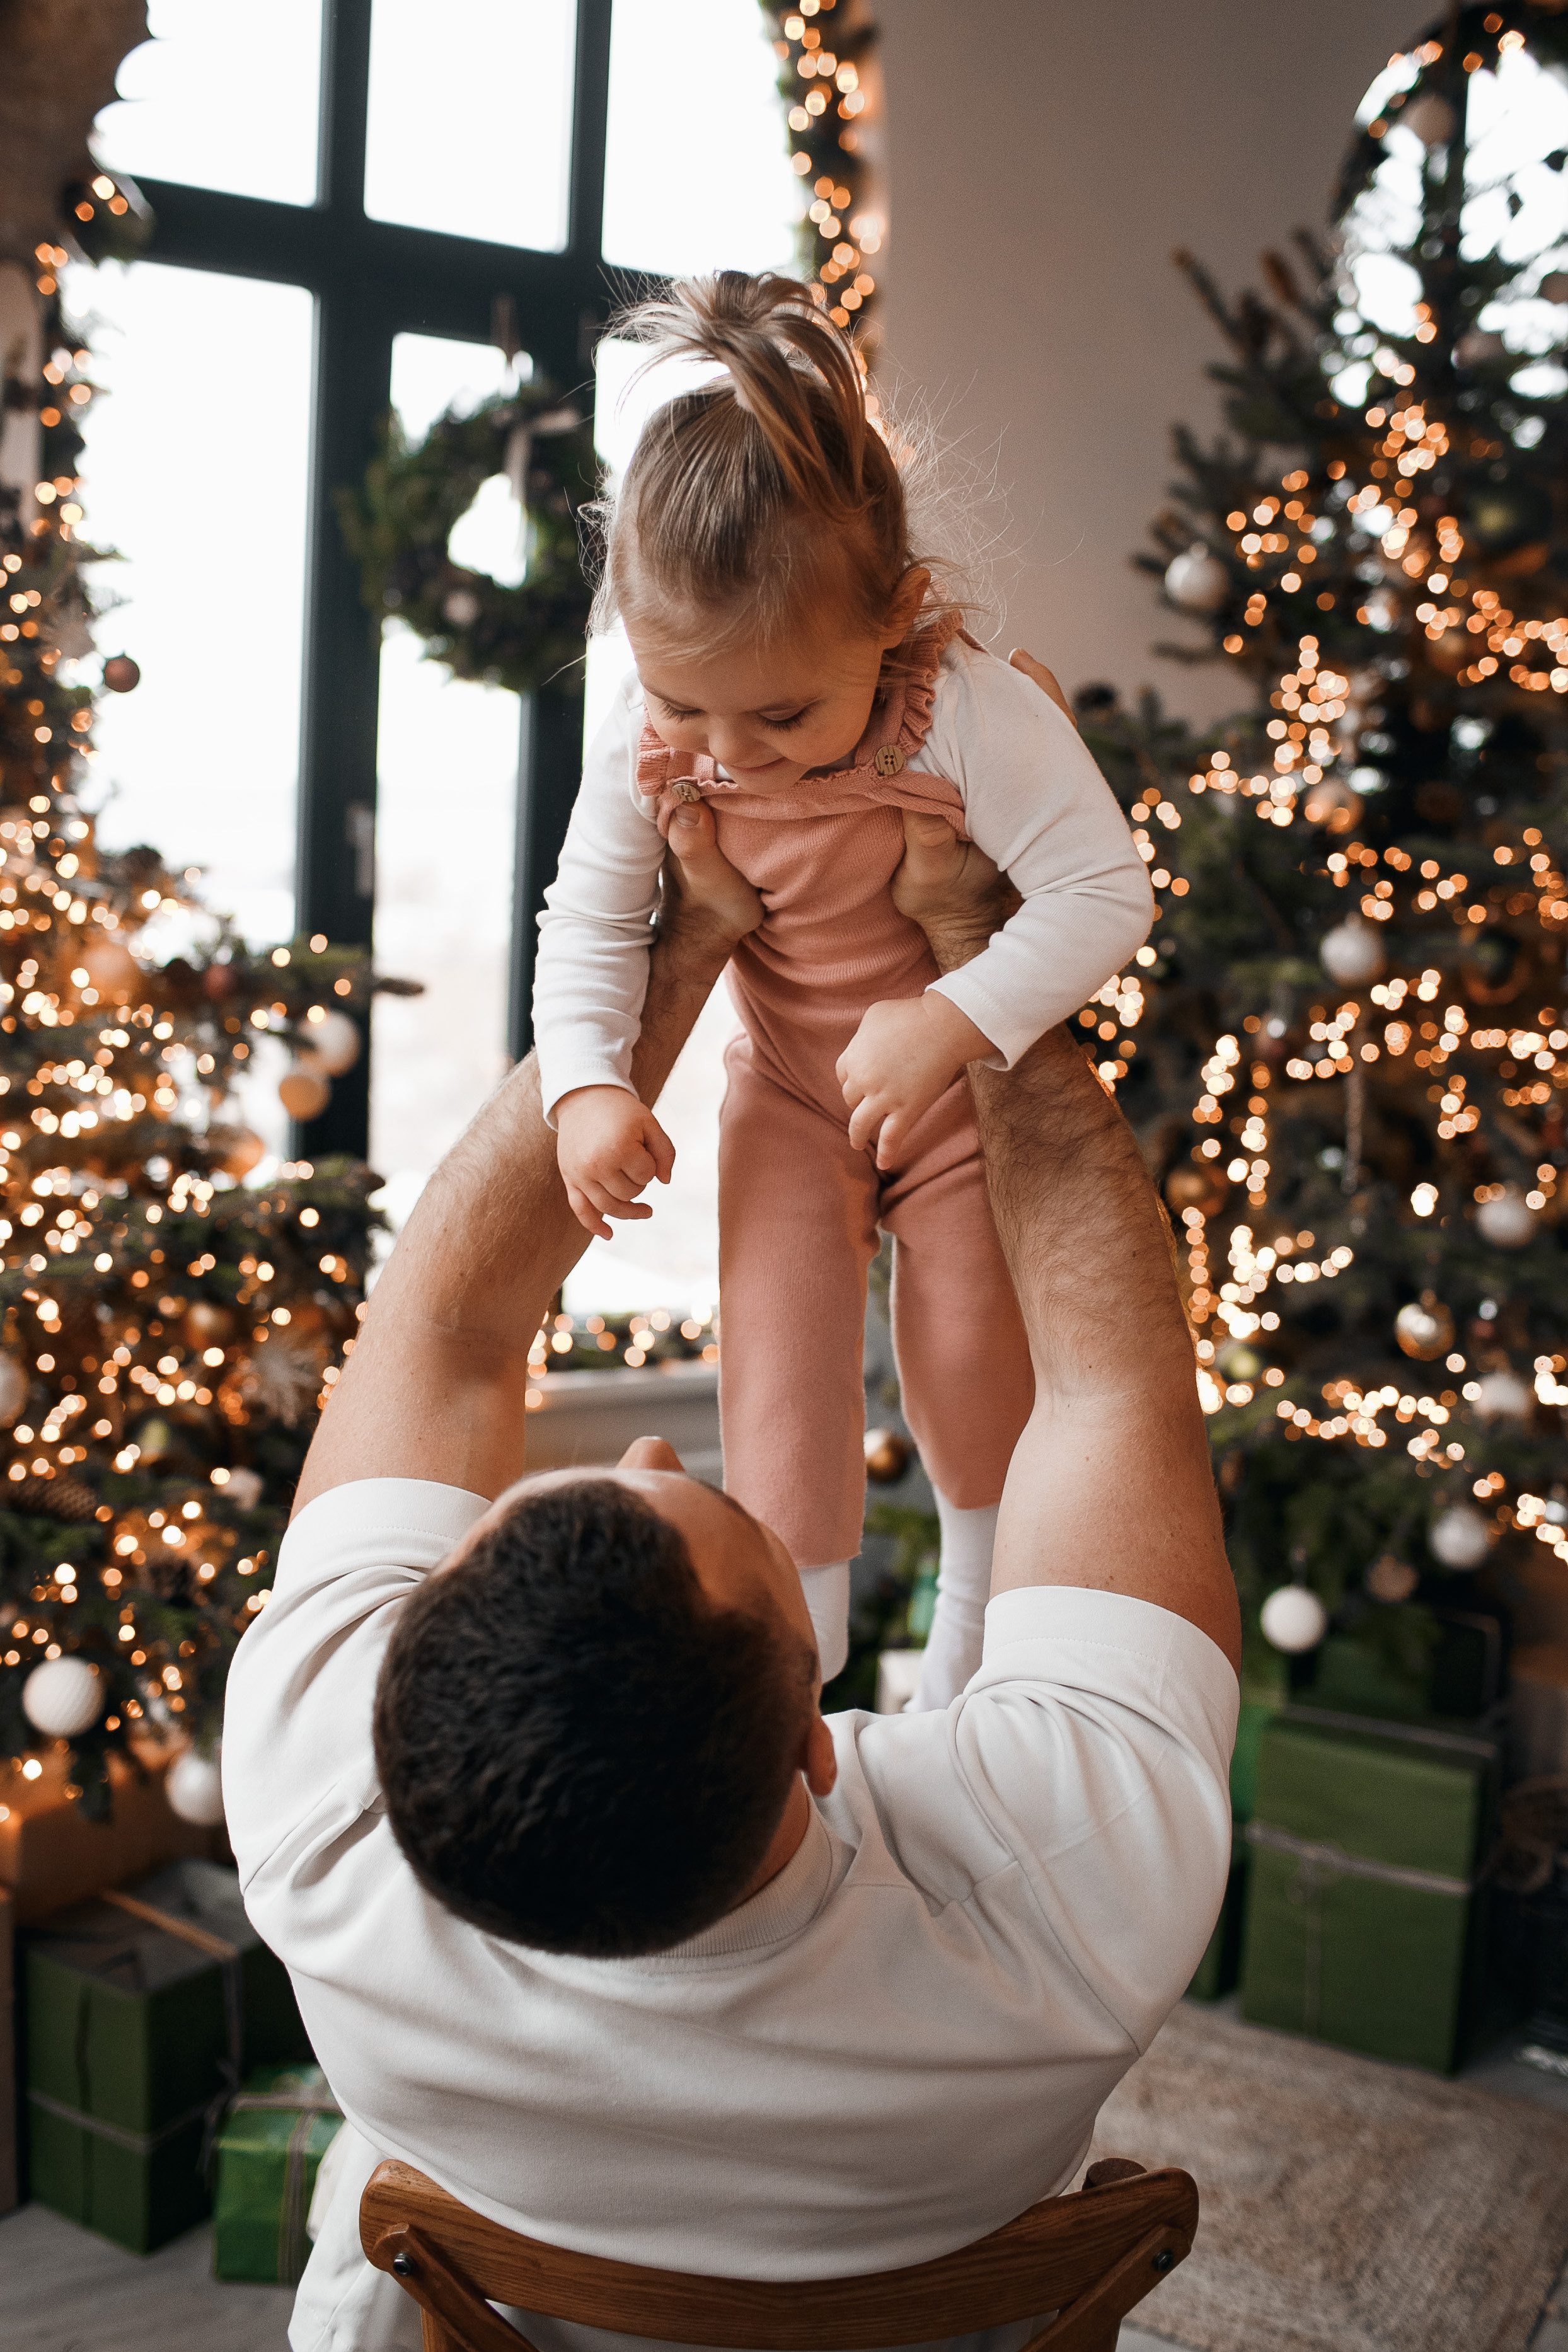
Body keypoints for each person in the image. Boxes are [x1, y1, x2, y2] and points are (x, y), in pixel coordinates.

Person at [222, 740, 1240, 2352]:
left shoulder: (312, 1830)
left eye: (572, 1488)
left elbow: (445, 1324)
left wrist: (684, 936)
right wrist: (981, 961)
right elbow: (1111, 1387)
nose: (641, 1441)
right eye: (741, 1529)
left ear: (391, 1682)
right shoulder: (1073, 1904)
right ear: (821, 1752)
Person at [533, 271, 1153, 1710]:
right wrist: (584, 1084)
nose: (729, 755)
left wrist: (950, 1019)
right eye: (688, 705)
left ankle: (973, 1618)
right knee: (778, 1352)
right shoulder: (651, 726)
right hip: (789, 1087)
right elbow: (590, 918)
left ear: (893, 617)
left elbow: (1102, 893)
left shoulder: (966, 710)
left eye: (782, 714)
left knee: (965, 1350)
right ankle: (793, 1658)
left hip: (948, 1095)